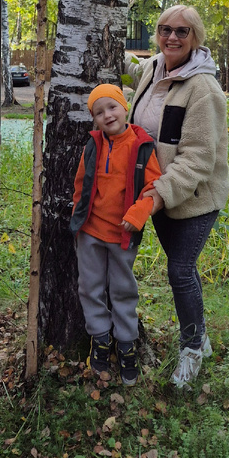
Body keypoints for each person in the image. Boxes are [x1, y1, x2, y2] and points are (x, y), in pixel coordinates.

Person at [128, 5, 229, 387]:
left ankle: (190, 350)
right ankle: (200, 336)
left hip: (194, 196)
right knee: (181, 268)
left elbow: (199, 158)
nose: (172, 37)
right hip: (159, 190)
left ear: (196, 37)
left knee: (180, 270)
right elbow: (143, 95)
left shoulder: (203, 88)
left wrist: (157, 195)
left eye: (182, 32)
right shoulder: (155, 68)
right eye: (165, 29)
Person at [71, 84, 162, 386]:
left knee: (123, 290)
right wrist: (77, 215)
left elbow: (154, 186)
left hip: (123, 236)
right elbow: (81, 184)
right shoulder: (94, 145)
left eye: (112, 107)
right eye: (99, 112)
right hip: (91, 232)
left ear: (125, 107)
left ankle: (126, 344)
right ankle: (99, 339)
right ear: (94, 119)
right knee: (90, 286)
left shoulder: (141, 146)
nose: (107, 115)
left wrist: (139, 212)